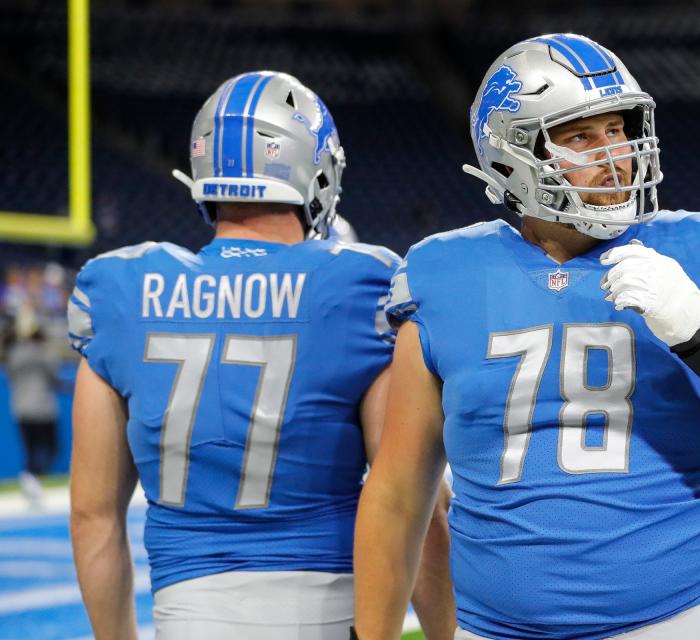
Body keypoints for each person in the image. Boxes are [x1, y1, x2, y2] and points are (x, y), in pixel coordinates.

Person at [354, 34, 700, 640]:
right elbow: (399, 493)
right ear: (510, 157)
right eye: (581, 136)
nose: (616, 154)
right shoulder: (442, 273)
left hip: (672, 621)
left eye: (619, 128)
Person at [67, 71, 454, 639]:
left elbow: (92, 517)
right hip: (326, 610)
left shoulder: (119, 290)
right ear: (313, 171)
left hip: (187, 615)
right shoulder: (359, 285)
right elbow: (413, 504)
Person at [7, 308, 61, 508]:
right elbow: (54, 378)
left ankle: (31, 479)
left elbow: (12, 378)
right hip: (43, 408)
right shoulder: (44, 353)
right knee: (52, 447)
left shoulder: (14, 354)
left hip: (21, 408)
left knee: (31, 449)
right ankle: (33, 478)